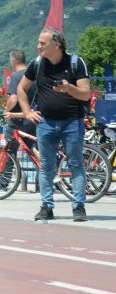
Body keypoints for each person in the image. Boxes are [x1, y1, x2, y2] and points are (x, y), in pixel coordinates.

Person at [17, 28, 91, 222]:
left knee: (76, 165)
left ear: (56, 44)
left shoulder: (76, 63)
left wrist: (69, 88)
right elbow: (21, 89)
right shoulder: (37, 64)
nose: (38, 46)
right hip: (45, 123)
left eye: (43, 43)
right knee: (46, 166)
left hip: (72, 123)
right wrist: (27, 112)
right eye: (39, 42)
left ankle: (78, 206)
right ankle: (46, 206)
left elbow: (86, 93)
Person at [0, 50, 37, 191]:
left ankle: (3, 183)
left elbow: (13, 98)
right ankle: (43, 181)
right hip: (32, 119)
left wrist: (6, 111)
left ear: (13, 61)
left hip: (17, 121)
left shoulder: (16, 76)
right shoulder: (33, 75)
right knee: (32, 150)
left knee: (9, 152)